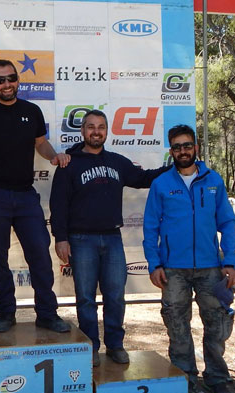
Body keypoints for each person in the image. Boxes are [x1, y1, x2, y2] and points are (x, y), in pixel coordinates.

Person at [50, 109, 169, 367]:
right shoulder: (70, 163)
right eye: (91, 126)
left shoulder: (117, 162)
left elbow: (144, 178)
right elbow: (58, 204)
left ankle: (115, 345)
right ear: (82, 130)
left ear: (106, 131)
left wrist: (175, 167)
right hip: (81, 239)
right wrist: (61, 238)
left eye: (101, 127)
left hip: (113, 238)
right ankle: (90, 346)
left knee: (115, 295)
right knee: (85, 298)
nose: (96, 131)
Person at [0, 59, 71, 333]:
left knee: (40, 254)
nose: (6, 84)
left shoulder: (31, 111)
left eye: (10, 78)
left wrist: (54, 156)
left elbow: (40, 143)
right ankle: (6, 313)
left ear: (17, 80)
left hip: (26, 195)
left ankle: (47, 313)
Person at [142, 124, 235, 393]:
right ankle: (184, 377)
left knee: (216, 323)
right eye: (177, 147)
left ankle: (216, 377)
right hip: (173, 269)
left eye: (187, 145)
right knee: (177, 324)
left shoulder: (214, 181)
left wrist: (230, 261)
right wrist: (154, 264)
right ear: (171, 151)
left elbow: (227, 223)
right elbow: (150, 227)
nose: (183, 151)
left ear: (196, 148)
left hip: (211, 268)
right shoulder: (161, 184)